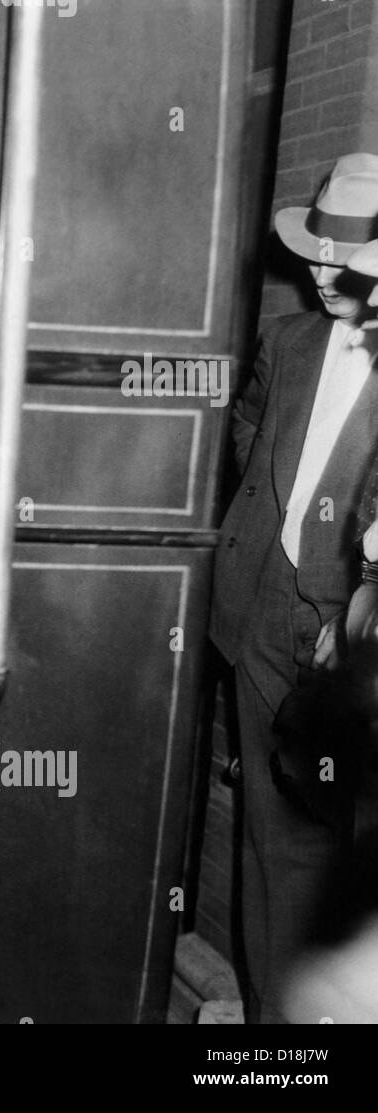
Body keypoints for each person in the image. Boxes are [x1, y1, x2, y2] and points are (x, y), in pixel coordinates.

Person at [209, 154, 378, 1023]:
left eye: (342, 255)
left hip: (348, 635)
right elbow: (247, 427)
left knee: (343, 852)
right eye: (316, 249)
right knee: (270, 840)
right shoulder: (289, 339)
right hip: (258, 612)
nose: (320, 269)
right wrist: (266, 528)